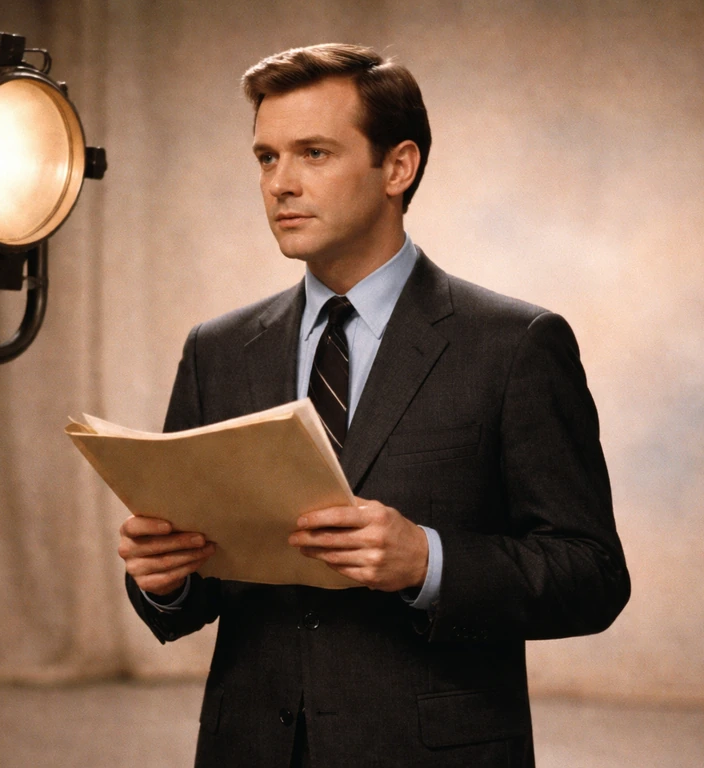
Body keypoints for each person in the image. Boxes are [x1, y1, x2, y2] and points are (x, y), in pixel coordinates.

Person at [117, 43, 629, 768]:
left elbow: (593, 575)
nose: (280, 184)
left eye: (314, 153)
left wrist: (429, 560)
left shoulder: (515, 345)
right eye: (266, 158)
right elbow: (188, 598)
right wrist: (163, 579)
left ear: (399, 167)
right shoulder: (218, 349)